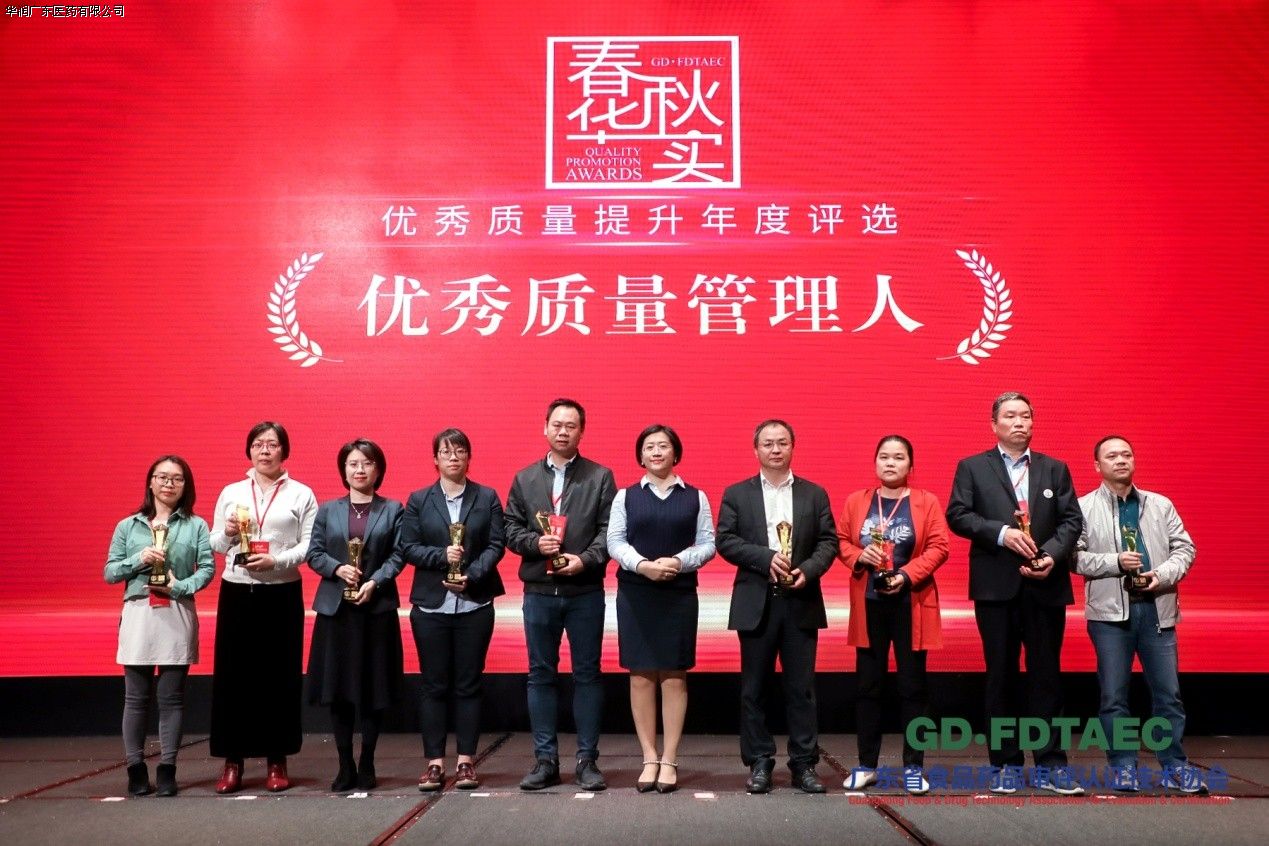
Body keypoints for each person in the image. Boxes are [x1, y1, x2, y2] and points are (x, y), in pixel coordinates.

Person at [946, 392, 1084, 795]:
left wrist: (1051, 555)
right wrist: (1002, 534)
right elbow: (958, 514)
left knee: (1047, 676)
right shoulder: (972, 467)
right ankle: (1004, 763)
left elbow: (1071, 520)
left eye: (1025, 416)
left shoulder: (1054, 468)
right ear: (994, 425)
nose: (1019, 422)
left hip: (1045, 584)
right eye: (1010, 416)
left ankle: (1051, 763)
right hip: (996, 586)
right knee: (1001, 675)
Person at [1075, 436, 1203, 793]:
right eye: (1111, 456)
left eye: (1126, 454)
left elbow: (1185, 548)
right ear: (1097, 466)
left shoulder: (1160, 504)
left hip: (1157, 610)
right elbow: (1074, 557)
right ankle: (1123, 766)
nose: (1121, 460)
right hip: (1109, 616)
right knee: (1114, 696)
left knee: (1168, 695)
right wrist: (1115, 562)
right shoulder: (1083, 507)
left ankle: (1174, 765)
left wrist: (1161, 575)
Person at [716, 419, 838, 794]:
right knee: (754, 689)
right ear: (756, 449)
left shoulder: (814, 493)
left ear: (792, 447)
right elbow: (725, 540)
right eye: (767, 443)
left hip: (801, 599)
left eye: (782, 443)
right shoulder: (737, 493)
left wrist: (809, 570)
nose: (775, 449)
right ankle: (759, 762)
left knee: (801, 689)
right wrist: (765, 557)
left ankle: (804, 764)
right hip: (757, 601)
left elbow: (829, 542)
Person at [504, 398, 617, 792]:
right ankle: (545, 760)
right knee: (540, 675)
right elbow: (510, 529)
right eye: (557, 424)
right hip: (539, 591)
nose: (563, 431)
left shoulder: (600, 477)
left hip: (584, 591)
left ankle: (587, 761)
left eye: (571, 425)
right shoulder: (524, 478)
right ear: (545, 428)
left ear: (581, 431)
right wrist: (536, 544)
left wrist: (584, 560)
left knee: (587, 674)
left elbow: (609, 531)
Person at [208, 421, 318, 794]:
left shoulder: (301, 493)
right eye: (258, 444)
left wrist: (277, 562)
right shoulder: (232, 491)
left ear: (284, 451)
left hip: (282, 592)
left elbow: (310, 545)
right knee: (233, 677)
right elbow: (215, 543)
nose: (265, 450)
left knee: (279, 677)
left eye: (272, 444)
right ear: (249, 451)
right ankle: (232, 761)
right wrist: (227, 532)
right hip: (238, 590)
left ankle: (277, 759)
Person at [837, 436, 949, 795]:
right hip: (869, 604)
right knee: (868, 686)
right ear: (875, 463)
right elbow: (841, 540)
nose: (890, 463)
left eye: (899, 458)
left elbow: (939, 546)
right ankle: (867, 765)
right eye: (884, 457)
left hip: (910, 603)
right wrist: (859, 556)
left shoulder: (926, 501)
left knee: (913, 688)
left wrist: (906, 575)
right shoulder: (857, 501)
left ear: (910, 466)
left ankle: (914, 767)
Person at [606, 424, 716, 793]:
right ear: (640, 455)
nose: (656, 452)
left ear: (675, 453)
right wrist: (642, 566)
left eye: (663, 446)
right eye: (649, 447)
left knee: (673, 675)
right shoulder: (625, 496)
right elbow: (614, 541)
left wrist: (679, 562)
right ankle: (648, 757)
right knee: (640, 675)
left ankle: (669, 758)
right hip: (636, 592)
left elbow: (708, 544)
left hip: (678, 593)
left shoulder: (696, 497)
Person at [400, 428, 506, 792]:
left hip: (475, 602)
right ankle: (434, 763)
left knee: (468, 683)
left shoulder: (487, 497)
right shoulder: (419, 500)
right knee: (433, 685)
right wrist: (442, 556)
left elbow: (496, 544)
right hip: (431, 605)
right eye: (446, 452)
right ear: (435, 459)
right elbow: (409, 547)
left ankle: (465, 762)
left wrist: (471, 574)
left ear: (468, 457)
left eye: (460, 451)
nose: (453, 457)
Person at [104, 455, 214, 797]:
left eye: (177, 478)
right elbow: (110, 572)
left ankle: (167, 770)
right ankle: (135, 769)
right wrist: (139, 559)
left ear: (186, 486)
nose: (169, 484)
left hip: (176, 611)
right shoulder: (128, 526)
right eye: (162, 477)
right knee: (136, 698)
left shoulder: (196, 525)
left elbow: (207, 569)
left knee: (172, 698)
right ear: (150, 482)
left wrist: (179, 586)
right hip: (139, 612)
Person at [306, 438, 404, 792]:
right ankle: (345, 763)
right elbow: (314, 553)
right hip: (337, 612)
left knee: (373, 690)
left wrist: (375, 581)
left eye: (366, 463)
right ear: (344, 470)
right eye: (352, 464)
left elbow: (399, 554)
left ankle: (368, 761)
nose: (359, 469)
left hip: (376, 609)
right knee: (339, 690)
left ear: (378, 469)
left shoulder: (393, 509)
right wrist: (337, 569)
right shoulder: (327, 510)